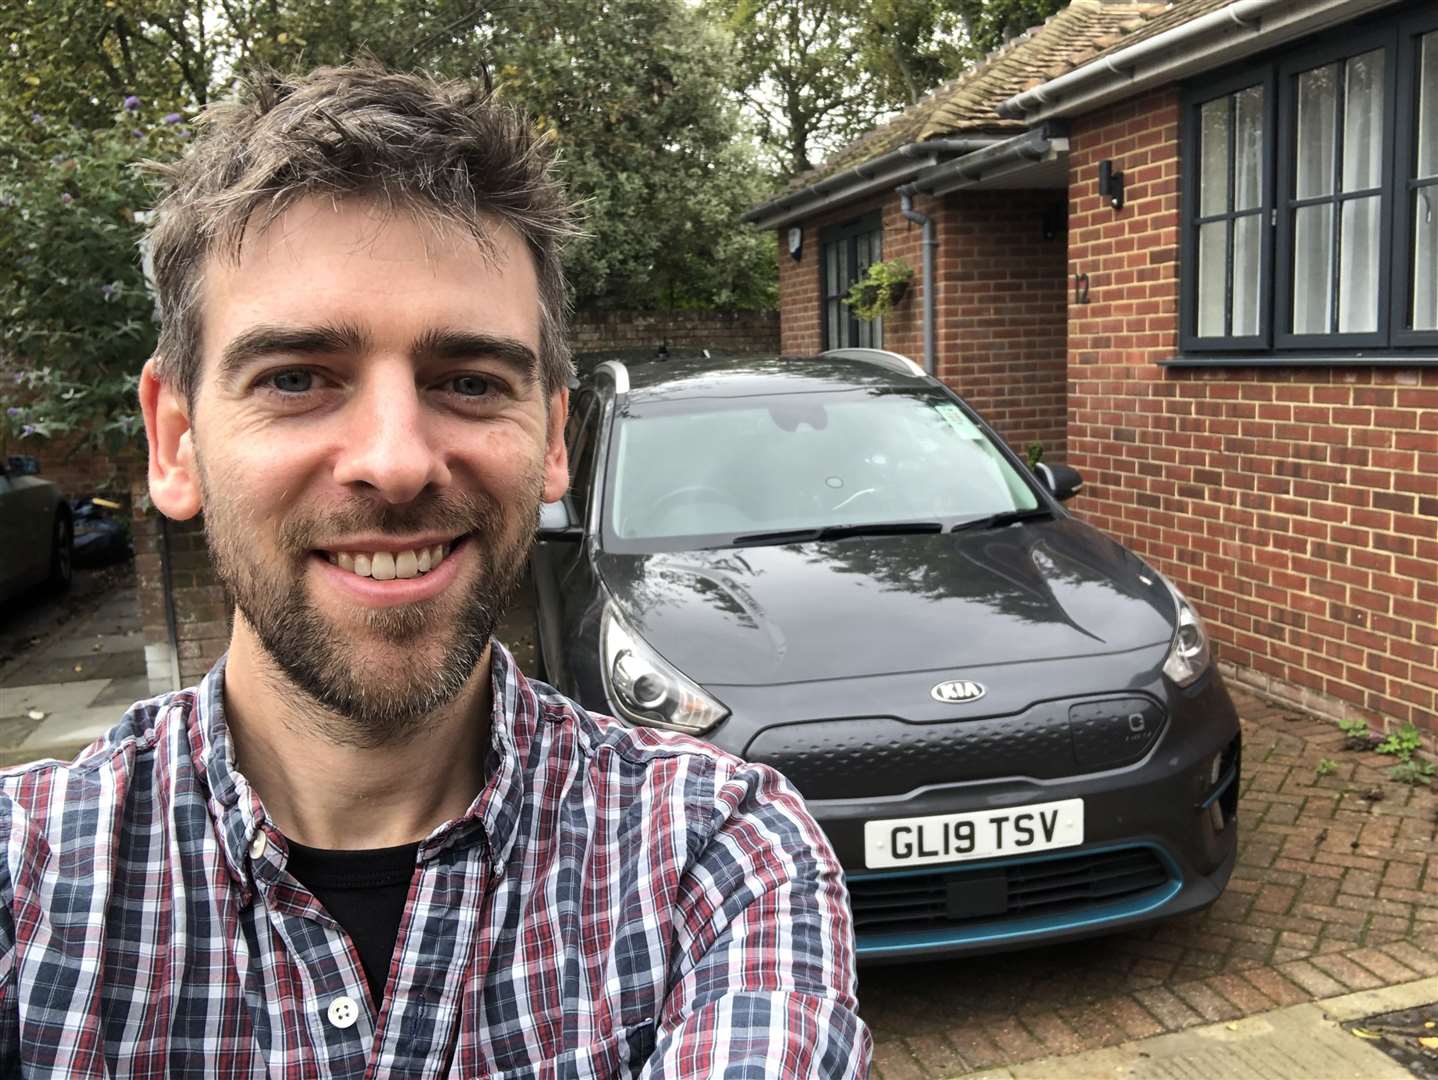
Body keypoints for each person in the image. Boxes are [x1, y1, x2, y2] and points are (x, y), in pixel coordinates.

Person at [0, 64, 871, 1077]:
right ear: (176, 443)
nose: (397, 459)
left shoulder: (715, 861)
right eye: (295, 379)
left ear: (552, 440)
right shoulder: (27, 886)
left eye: (466, 380)